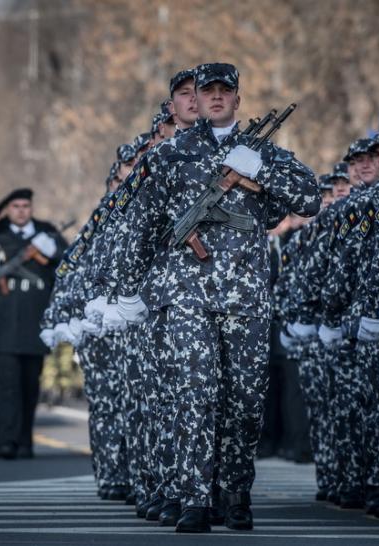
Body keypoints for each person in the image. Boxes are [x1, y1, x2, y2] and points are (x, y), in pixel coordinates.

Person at [109, 62, 319, 532]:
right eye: (208, 91)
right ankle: (194, 497)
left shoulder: (265, 153)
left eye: (226, 90)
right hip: (187, 296)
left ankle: (235, 493)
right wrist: (126, 291)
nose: (218, 97)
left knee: (244, 400)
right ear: (197, 100)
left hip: (246, 295)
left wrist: (261, 171)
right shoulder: (170, 154)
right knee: (195, 394)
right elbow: (141, 225)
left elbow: (309, 199)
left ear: (238, 99)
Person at [0, 188, 67, 459]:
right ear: (7, 209)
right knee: (6, 386)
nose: (21, 211)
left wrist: (56, 251)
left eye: (25, 206)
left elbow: (69, 267)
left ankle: (24, 441)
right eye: (16, 206)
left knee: (30, 386)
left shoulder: (47, 233)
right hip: (1, 324)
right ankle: (6, 441)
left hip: (34, 321)